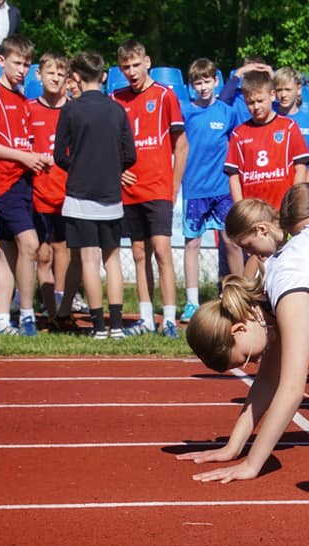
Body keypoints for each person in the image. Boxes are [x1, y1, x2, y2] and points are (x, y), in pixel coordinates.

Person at [178, 194, 309, 482]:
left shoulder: (285, 291)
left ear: (238, 329)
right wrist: (233, 446)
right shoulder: (267, 303)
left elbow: (291, 390)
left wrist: (252, 465)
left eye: (246, 357)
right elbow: (267, 381)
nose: (254, 362)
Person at [0, 34, 52, 336]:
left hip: (22, 180)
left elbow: (22, 142)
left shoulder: (21, 98)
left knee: (8, 250)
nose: (22, 70)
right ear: (2, 61)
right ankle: (27, 314)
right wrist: (22, 156)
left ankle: (0, 319)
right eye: (17, 63)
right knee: (30, 245)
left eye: (27, 64)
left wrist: (35, 158)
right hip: (2, 182)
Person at [53, 50, 137, 339]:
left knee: (88, 260)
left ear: (75, 77)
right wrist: (113, 170)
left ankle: (98, 327)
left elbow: (58, 155)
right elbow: (131, 155)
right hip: (111, 196)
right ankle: (116, 326)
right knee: (111, 259)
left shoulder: (70, 109)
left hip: (79, 196)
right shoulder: (117, 109)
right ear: (103, 76)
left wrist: (77, 167)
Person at [112, 39, 188, 339]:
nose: (131, 71)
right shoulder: (116, 98)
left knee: (162, 251)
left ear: (147, 62)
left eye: (135, 64)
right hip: (130, 190)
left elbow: (181, 144)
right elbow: (107, 145)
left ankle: (169, 318)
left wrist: (174, 185)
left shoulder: (165, 96)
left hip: (158, 188)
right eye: (125, 67)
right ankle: (145, 317)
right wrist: (116, 171)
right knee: (139, 253)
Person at [180, 58, 243, 319]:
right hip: (194, 189)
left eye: (207, 81)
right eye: (198, 82)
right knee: (192, 244)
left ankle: (240, 296)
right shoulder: (186, 112)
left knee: (232, 242)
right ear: (191, 85)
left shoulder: (227, 112)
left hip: (221, 189)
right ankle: (192, 302)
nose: (203, 87)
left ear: (216, 81)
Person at [27, 52, 76, 325]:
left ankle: (62, 308)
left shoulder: (74, 110)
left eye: (60, 74)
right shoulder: (28, 109)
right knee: (42, 254)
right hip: (37, 194)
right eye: (50, 72)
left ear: (67, 79)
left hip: (68, 194)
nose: (55, 78)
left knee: (64, 252)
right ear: (39, 75)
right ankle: (49, 310)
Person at [225, 70, 309, 209]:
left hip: (283, 208)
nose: (256, 107)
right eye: (250, 102)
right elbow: (234, 176)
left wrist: (293, 201)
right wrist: (240, 207)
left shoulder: (288, 127)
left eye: (260, 101)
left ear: (272, 95)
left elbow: (300, 167)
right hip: (252, 212)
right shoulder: (239, 134)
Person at [274, 67, 309, 184]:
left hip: (300, 185)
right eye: (279, 90)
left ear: (298, 89)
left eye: (288, 89)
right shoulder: (270, 119)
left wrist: (302, 188)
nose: (283, 94)